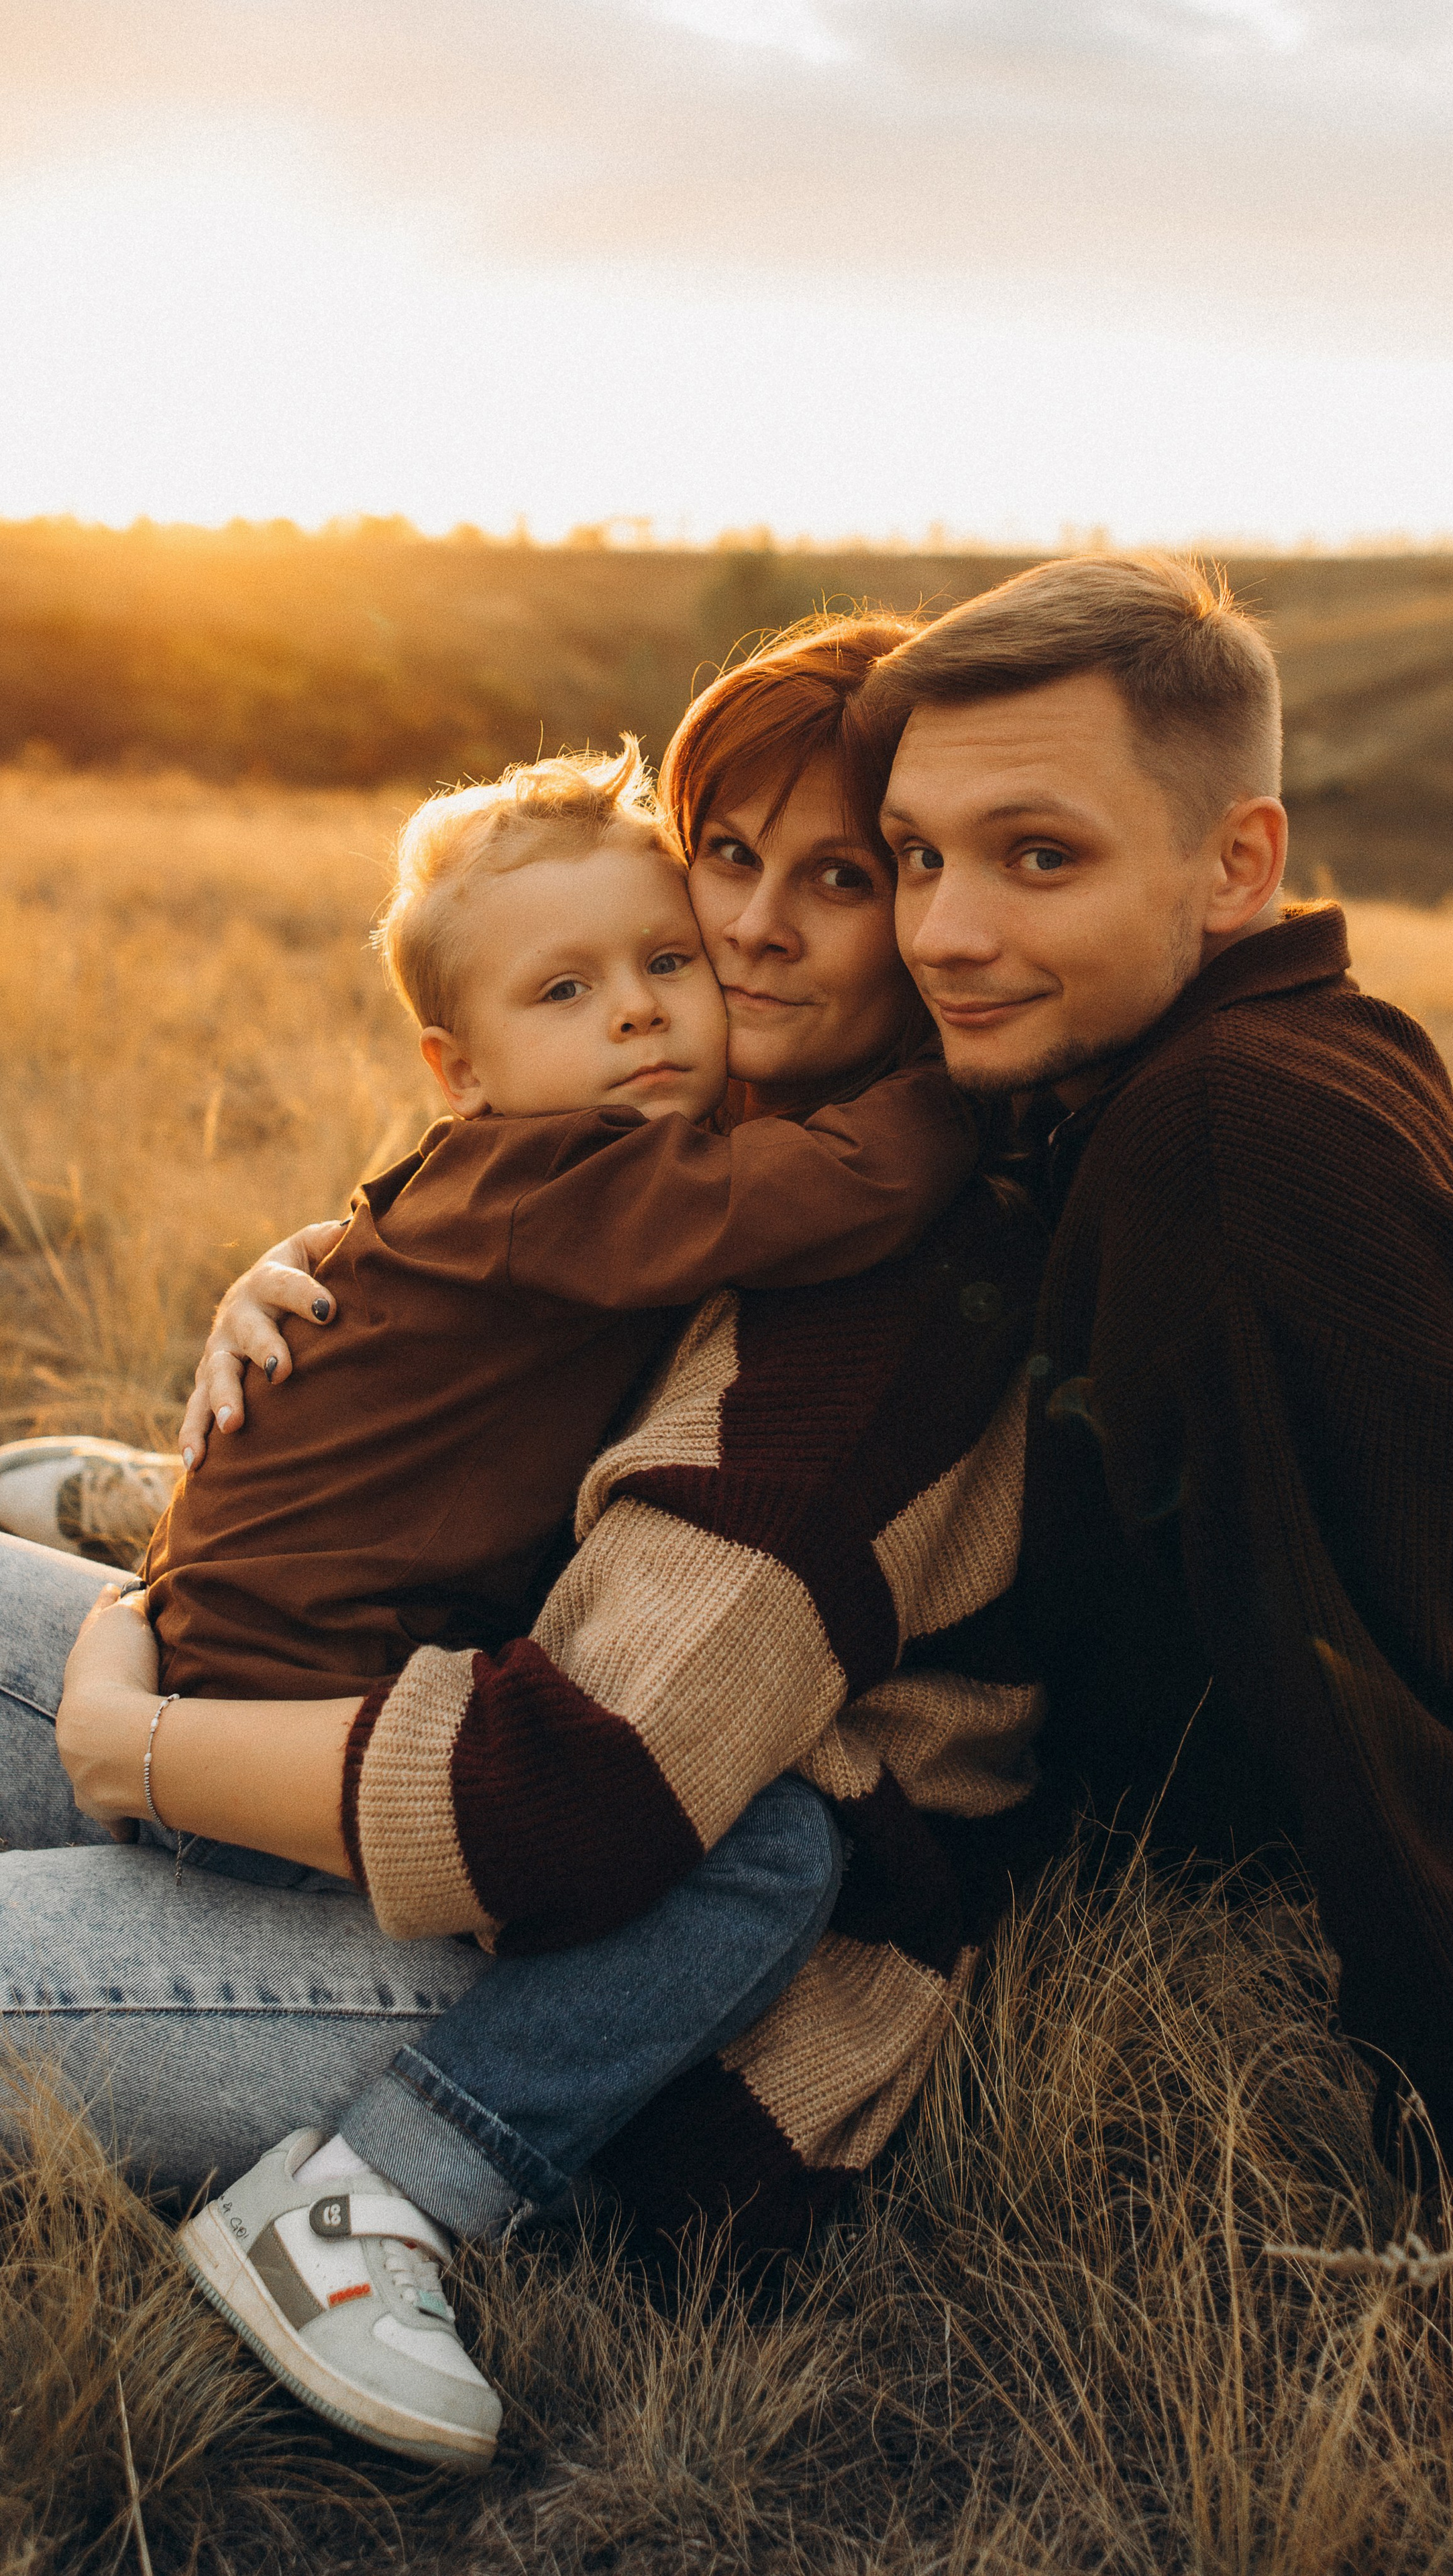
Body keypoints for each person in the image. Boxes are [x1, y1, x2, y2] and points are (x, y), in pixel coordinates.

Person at [7, 614, 1047, 2471]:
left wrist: (132, 1743)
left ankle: (378, 2192)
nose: (724, 951)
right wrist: (300, 1269)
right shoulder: (647, 1153)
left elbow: (577, 1795)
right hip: (306, 1697)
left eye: (839, 879)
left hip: (434, 1800)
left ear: (932, 914)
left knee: (769, 1855)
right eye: (727, 861)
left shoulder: (836, 1281)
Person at [858, 549, 1453, 2496]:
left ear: (1233, 862)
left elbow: (1364, 1712)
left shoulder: (1232, 1140)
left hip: (1073, 1891)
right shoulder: (1274, 1039)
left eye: (1038, 856)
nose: (944, 931)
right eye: (911, 858)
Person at [146, 735, 973, 1699]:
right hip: (292, 1667)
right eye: (564, 989)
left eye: (668, 960)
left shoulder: (504, 1175)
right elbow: (852, 1181)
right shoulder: (563, 1184)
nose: (636, 1008)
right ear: (462, 1071)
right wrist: (962, 1075)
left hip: (232, 1612)